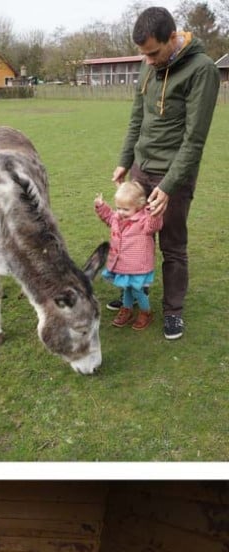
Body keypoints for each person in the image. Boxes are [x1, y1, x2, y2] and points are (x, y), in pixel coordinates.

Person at [108, 6, 218, 341]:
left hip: (175, 175)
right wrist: (126, 159)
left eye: (153, 52)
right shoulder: (148, 67)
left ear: (173, 38)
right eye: (144, 54)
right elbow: (137, 118)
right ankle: (131, 293)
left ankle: (173, 311)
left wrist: (169, 185)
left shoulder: (202, 71)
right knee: (133, 236)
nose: (149, 60)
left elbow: (194, 139)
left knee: (172, 244)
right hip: (142, 169)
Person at [94, 180, 163, 331]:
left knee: (137, 290)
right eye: (118, 207)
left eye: (125, 209)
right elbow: (108, 216)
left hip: (139, 266)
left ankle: (146, 312)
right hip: (123, 264)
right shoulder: (117, 218)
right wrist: (101, 206)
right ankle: (127, 309)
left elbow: (154, 225)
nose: (120, 212)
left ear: (138, 207)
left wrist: (154, 213)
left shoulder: (144, 221)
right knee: (126, 289)